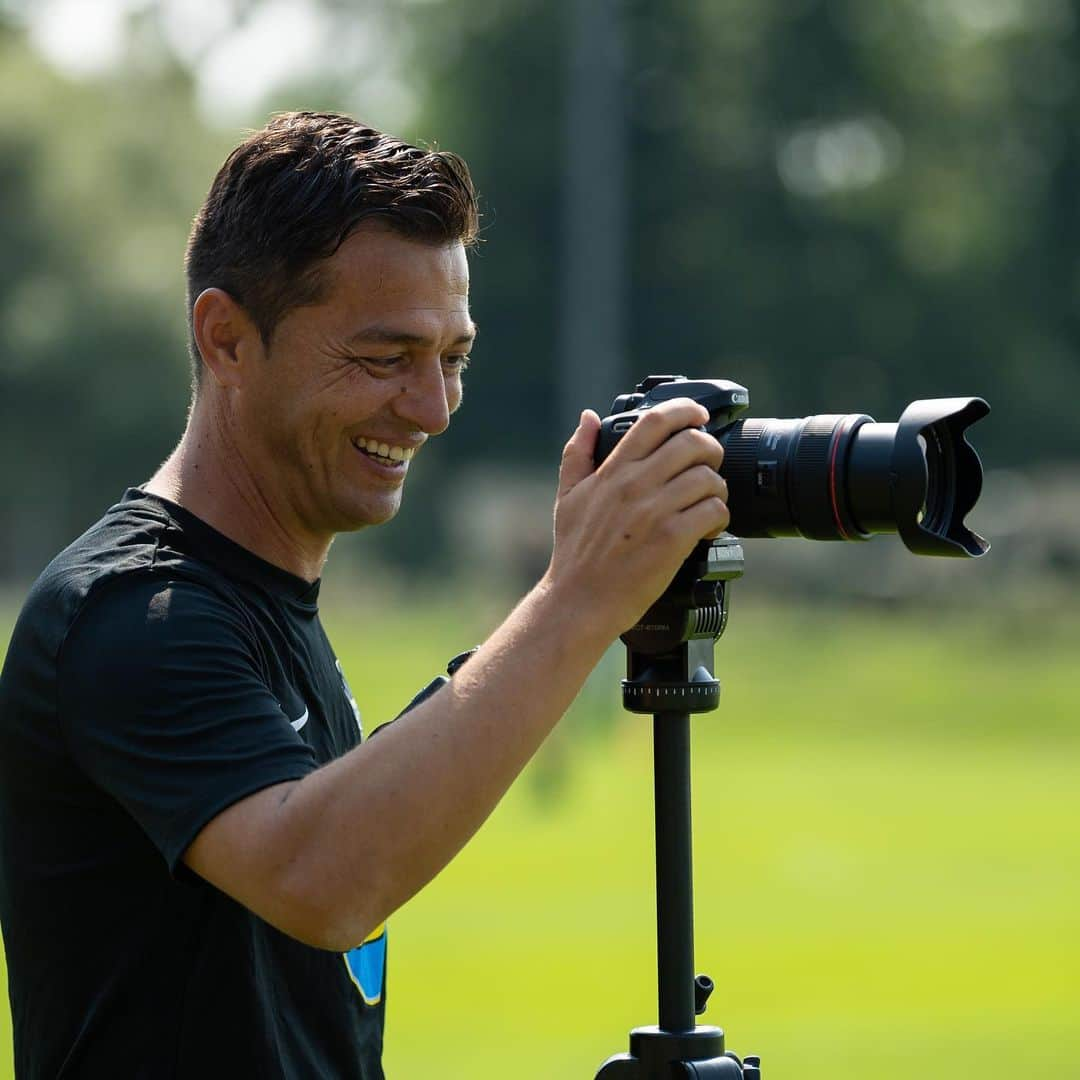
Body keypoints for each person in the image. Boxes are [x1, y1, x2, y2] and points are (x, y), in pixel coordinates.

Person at [0, 111, 729, 1078]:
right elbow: (328, 877)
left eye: (453, 357)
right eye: (384, 359)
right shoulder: (134, 614)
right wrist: (579, 594)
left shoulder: (259, 599)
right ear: (226, 339)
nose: (431, 408)